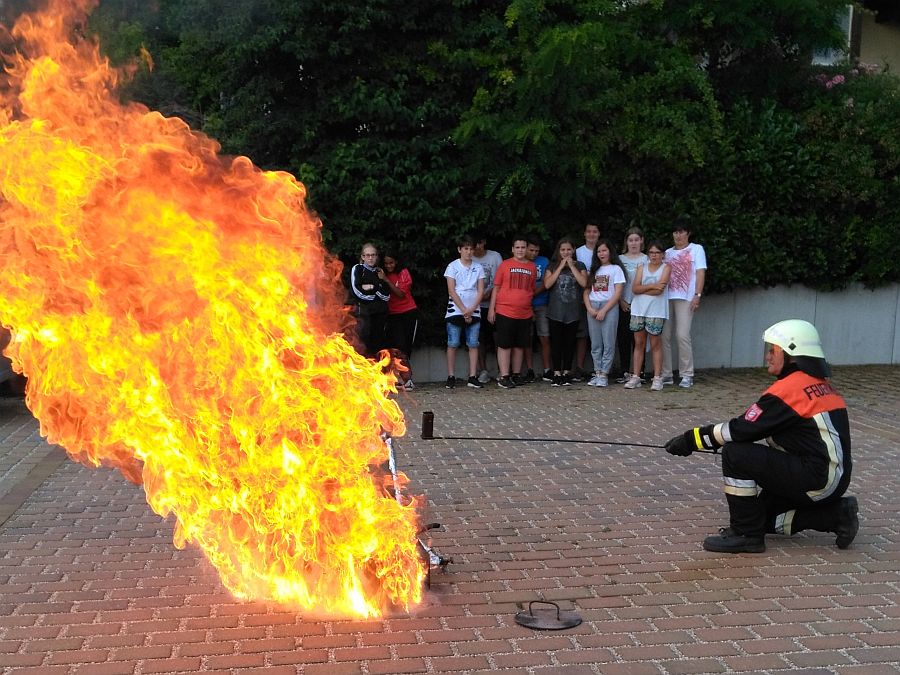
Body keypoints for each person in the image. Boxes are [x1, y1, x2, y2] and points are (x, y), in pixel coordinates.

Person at [664, 319, 858, 554]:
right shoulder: (817, 385)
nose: (767, 356)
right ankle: (837, 516)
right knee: (760, 518)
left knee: (736, 454)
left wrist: (690, 439)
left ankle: (746, 536)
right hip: (830, 478)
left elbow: (740, 429)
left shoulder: (790, 390)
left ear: (791, 354)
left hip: (816, 477)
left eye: (773, 350)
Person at [661, 219, 707, 388]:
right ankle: (666, 373)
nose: (678, 235)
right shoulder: (666, 253)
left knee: (682, 334)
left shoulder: (696, 249)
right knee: (663, 335)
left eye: (681, 232)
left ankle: (687, 374)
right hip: (666, 297)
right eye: (675, 232)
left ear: (688, 233)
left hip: (686, 297)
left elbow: (700, 272)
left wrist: (697, 294)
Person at [488, 236, 537, 389]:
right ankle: (504, 376)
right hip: (505, 310)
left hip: (524, 312)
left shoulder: (532, 267)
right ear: (512, 249)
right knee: (504, 344)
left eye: (523, 247)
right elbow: (496, 287)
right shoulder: (504, 265)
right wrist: (492, 308)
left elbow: (531, 289)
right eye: (518, 247)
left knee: (520, 345)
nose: (520, 250)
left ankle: (516, 374)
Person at [543, 237, 588, 386]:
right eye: (563, 250)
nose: (566, 252)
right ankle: (556, 372)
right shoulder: (552, 265)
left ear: (574, 250)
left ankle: (567, 371)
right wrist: (561, 267)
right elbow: (547, 285)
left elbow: (584, 283)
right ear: (558, 251)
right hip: (555, 311)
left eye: (569, 249)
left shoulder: (580, 265)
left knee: (570, 342)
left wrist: (572, 267)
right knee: (556, 342)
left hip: (573, 311)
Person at [625, 241, 669, 391]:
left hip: (656, 311)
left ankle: (657, 377)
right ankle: (636, 376)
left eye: (657, 253)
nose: (654, 255)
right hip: (638, 310)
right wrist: (652, 285)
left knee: (656, 344)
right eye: (652, 253)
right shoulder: (641, 268)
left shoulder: (666, 268)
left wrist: (644, 289)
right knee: (639, 344)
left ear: (662, 254)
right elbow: (635, 288)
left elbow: (660, 290)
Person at [444, 236, 486, 389]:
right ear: (459, 250)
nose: (469, 252)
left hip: (474, 309)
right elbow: (451, 290)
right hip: (455, 309)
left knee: (473, 343)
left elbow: (481, 291)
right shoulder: (452, 266)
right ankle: (451, 375)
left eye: (471, 249)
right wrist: (463, 310)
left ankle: (472, 376)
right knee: (453, 342)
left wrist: (471, 309)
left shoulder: (478, 267)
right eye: (466, 249)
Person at [583, 239, 625, 387]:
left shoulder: (616, 269)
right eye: (599, 251)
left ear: (610, 251)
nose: (601, 253)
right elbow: (587, 291)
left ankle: (604, 373)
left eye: (604, 250)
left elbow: (618, 292)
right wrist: (589, 308)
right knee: (595, 343)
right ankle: (597, 371)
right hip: (593, 306)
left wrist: (604, 310)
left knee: (608, 342)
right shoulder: (593, 270)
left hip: (609, 306)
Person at [382, 251, 419, 390]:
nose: (389, 265)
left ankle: (407, 379)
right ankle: (398, 378)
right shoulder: (381, 274)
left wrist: (385, 280)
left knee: (405, 347)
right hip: (392, 314)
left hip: (408, 312)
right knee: (395, 347)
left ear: (396, 262)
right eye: (386, 263)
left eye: (391, 262)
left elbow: (401, 294)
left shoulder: (403, 273)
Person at [616, 228, 648, 383]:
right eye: (631, 240)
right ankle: (624, 371)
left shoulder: (647, 259)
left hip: (641, 305)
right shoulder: (619, 259)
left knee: (639, 340)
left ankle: (640, 371)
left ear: (641, 241)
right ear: (626, 242)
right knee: (623, 338)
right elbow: (616, 283)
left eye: (637, 239)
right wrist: (621, 300)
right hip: (624, 303)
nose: (634, 243)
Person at [472, 235, 504, 383]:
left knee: (498, 338)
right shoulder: (469, 257)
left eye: (479, 243)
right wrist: (479, 296)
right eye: (473, 244)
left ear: (484, 241)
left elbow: (501, 279)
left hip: (495, 303)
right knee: (479, 339)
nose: (476, 247)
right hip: (475, 305)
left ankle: (501, 370)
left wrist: (491, 293)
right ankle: (483, 370)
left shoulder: (495, 257)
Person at [350, 242, 390, 357]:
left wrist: (371, 287)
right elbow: (357, 291)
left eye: (373, 255)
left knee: (378, 344)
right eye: (368, 255)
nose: (371, 258)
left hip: (380, 314)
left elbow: (386, 296)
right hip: (364, 313)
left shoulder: (380, 272)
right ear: (363, 257)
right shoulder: (357, 269)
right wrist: (375, 292)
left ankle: (377, 371)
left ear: (377, 256)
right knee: (363, 343)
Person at [572, 222, 601, 381]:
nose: (591, 234)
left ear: (598, 233)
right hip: (581, 297)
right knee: (581, 334)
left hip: (602, 298)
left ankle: (601, 369)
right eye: (589, 231)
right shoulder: (578, 252)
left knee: (600, 335)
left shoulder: (603, 250)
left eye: (594, 231)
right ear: (584, 234)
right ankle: (579, 367)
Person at [523, 237, 552, 382]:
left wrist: (534, 293)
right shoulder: (521, 262)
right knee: (527, 338)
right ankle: (529, 370)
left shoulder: (544, 261)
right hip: (524, 305)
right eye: (531, 250)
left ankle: (547, 369)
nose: (534, 254)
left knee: (544, 336)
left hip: (542, 303)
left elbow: (547, 282)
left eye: (536, 251)